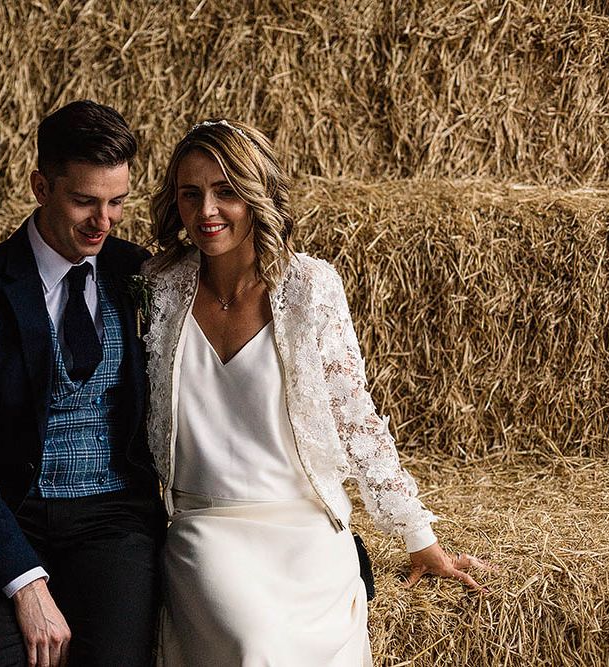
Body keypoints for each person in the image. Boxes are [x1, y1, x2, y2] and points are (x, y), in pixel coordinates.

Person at [144, 118, 492, 666]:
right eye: (192, 194)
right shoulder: (159, 288)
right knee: (252, 644)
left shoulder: (310, 288)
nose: (206, 211)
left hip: (307, 527)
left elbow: (356, 417)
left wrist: (417, 534)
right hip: (209, 526)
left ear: (256, 196)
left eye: (226, 191)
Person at [0, 100, 163, 667]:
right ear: (40, 185)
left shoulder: (141, 273)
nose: (102, 222)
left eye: (116, 202)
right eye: (84, 201)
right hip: (4, 516)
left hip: (112, 521)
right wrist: (24, 582)